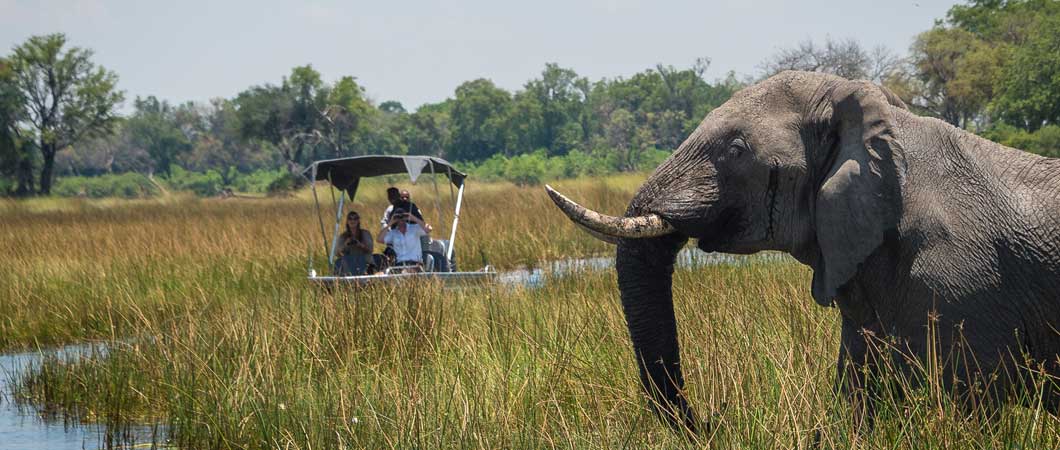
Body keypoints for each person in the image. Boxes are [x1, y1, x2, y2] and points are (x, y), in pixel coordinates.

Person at [377, 207, 432, 273]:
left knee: (404, 272)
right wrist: (390, 223)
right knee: (380, 274)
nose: (401, 219)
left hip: (415, 264)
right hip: (399, 265)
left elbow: (429, 229)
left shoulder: (414, 229)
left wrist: (413, 218)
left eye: (402, 216)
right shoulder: (393, 233)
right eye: (398, 217)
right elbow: (379, 239)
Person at [334, 211, 373, 276]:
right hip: (348, 261)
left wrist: (360, 245)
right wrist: (345, 244)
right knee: (338, 262)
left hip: (364, 259)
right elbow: (336, 253)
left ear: (358, 221)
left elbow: (370, 249)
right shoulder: (343, 236)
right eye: (350, 218)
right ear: (347, 221)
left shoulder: (365, 233)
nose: (353, 221)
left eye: (355, 218)